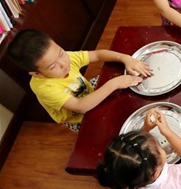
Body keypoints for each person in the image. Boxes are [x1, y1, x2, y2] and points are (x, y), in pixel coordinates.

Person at [7, 29, 147, 131]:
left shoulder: (63, 58)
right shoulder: (44, 88)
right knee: (108, 130)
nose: (63, 63)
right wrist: (114, 83)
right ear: (37, 74)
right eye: (53, 66)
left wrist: (125, 58)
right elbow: (81, 107)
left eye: (61, 53)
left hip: (87, 91)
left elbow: (98, 55)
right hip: (79, 117)